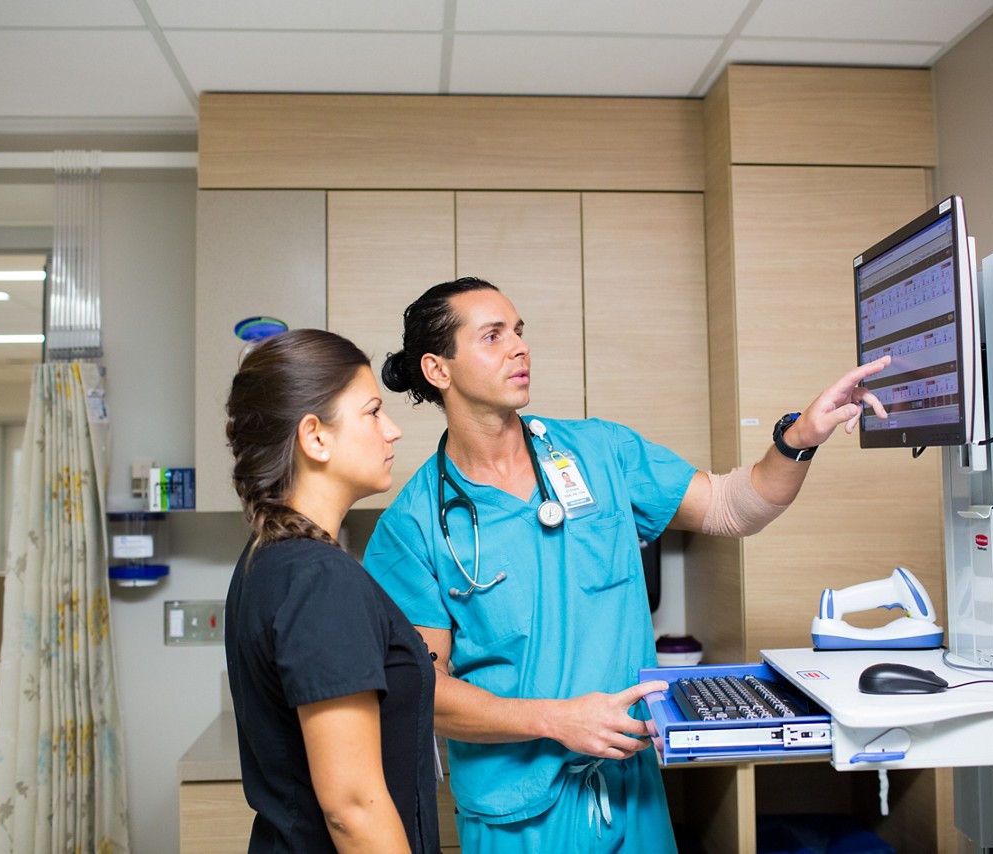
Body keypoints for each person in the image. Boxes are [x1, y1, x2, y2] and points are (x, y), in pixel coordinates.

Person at [363, 277, 891, 852]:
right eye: (493, 336)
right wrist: (556, 720)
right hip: (518, 815)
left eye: (519, 331)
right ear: (439, 370)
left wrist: (800, 438)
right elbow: (425, 693)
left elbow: (735, 506)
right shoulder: (413, 525)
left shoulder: (600, 452)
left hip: (630, 788)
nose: (519, 347)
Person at [223, 329, 441, 854]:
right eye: (372, 412)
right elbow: (353, 808)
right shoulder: (319, 579)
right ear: (315, 436)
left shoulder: (267, 559)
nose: (392, 431)